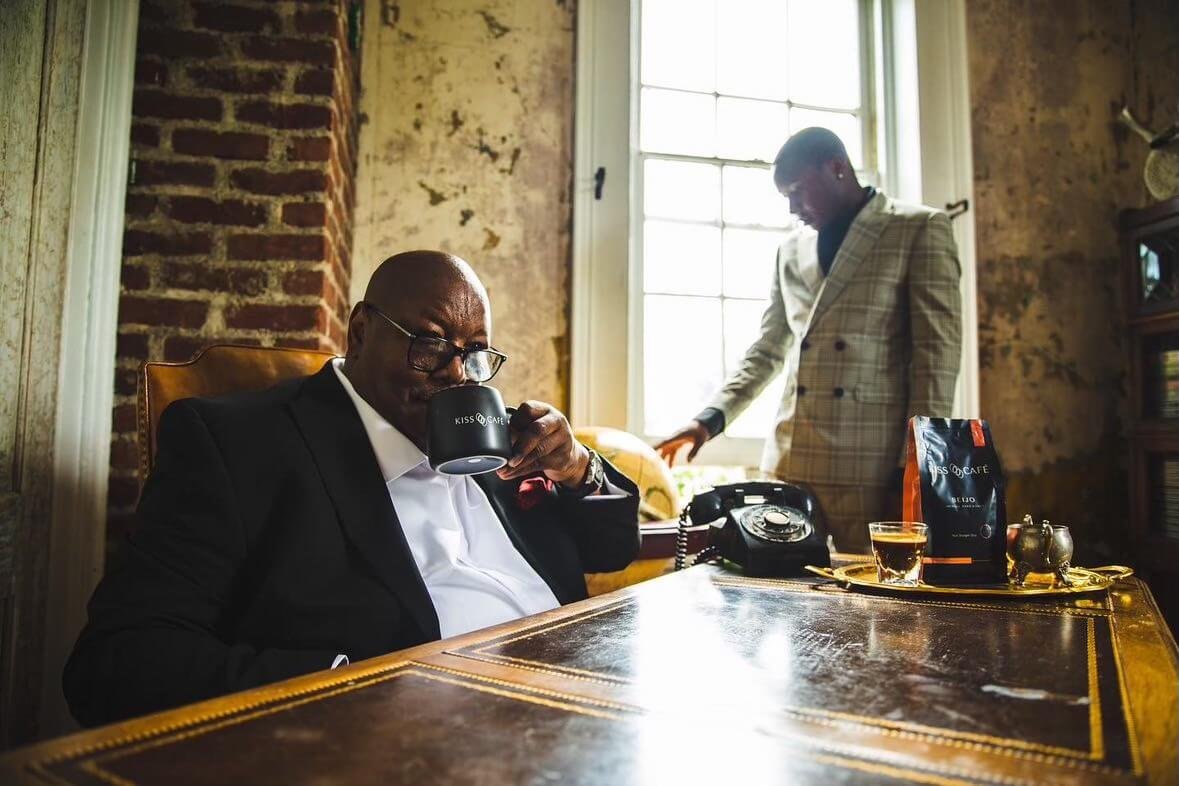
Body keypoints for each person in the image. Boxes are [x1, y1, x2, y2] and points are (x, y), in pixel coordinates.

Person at [64, 251, 639, 727]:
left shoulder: (499, 436)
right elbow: (117, 663)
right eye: (430, 344)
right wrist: (354, 691)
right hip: (417, 739)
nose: (456, 376)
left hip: (581, 701)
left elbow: (614, 548)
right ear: (360, 333)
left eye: (473, 353)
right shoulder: (235, 444)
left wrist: (579, 466)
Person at [656, 127, 961, 553]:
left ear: (837, 168)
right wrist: (707, 421)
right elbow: (767, 350)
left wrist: (914, 468)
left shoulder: (917, 229)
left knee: (871, 606)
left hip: (870, 467)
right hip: (790, 459)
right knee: (781, 602)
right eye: (786, 197)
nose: (793, 208)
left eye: (798, 191)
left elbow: (937, 360)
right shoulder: (790, 250)